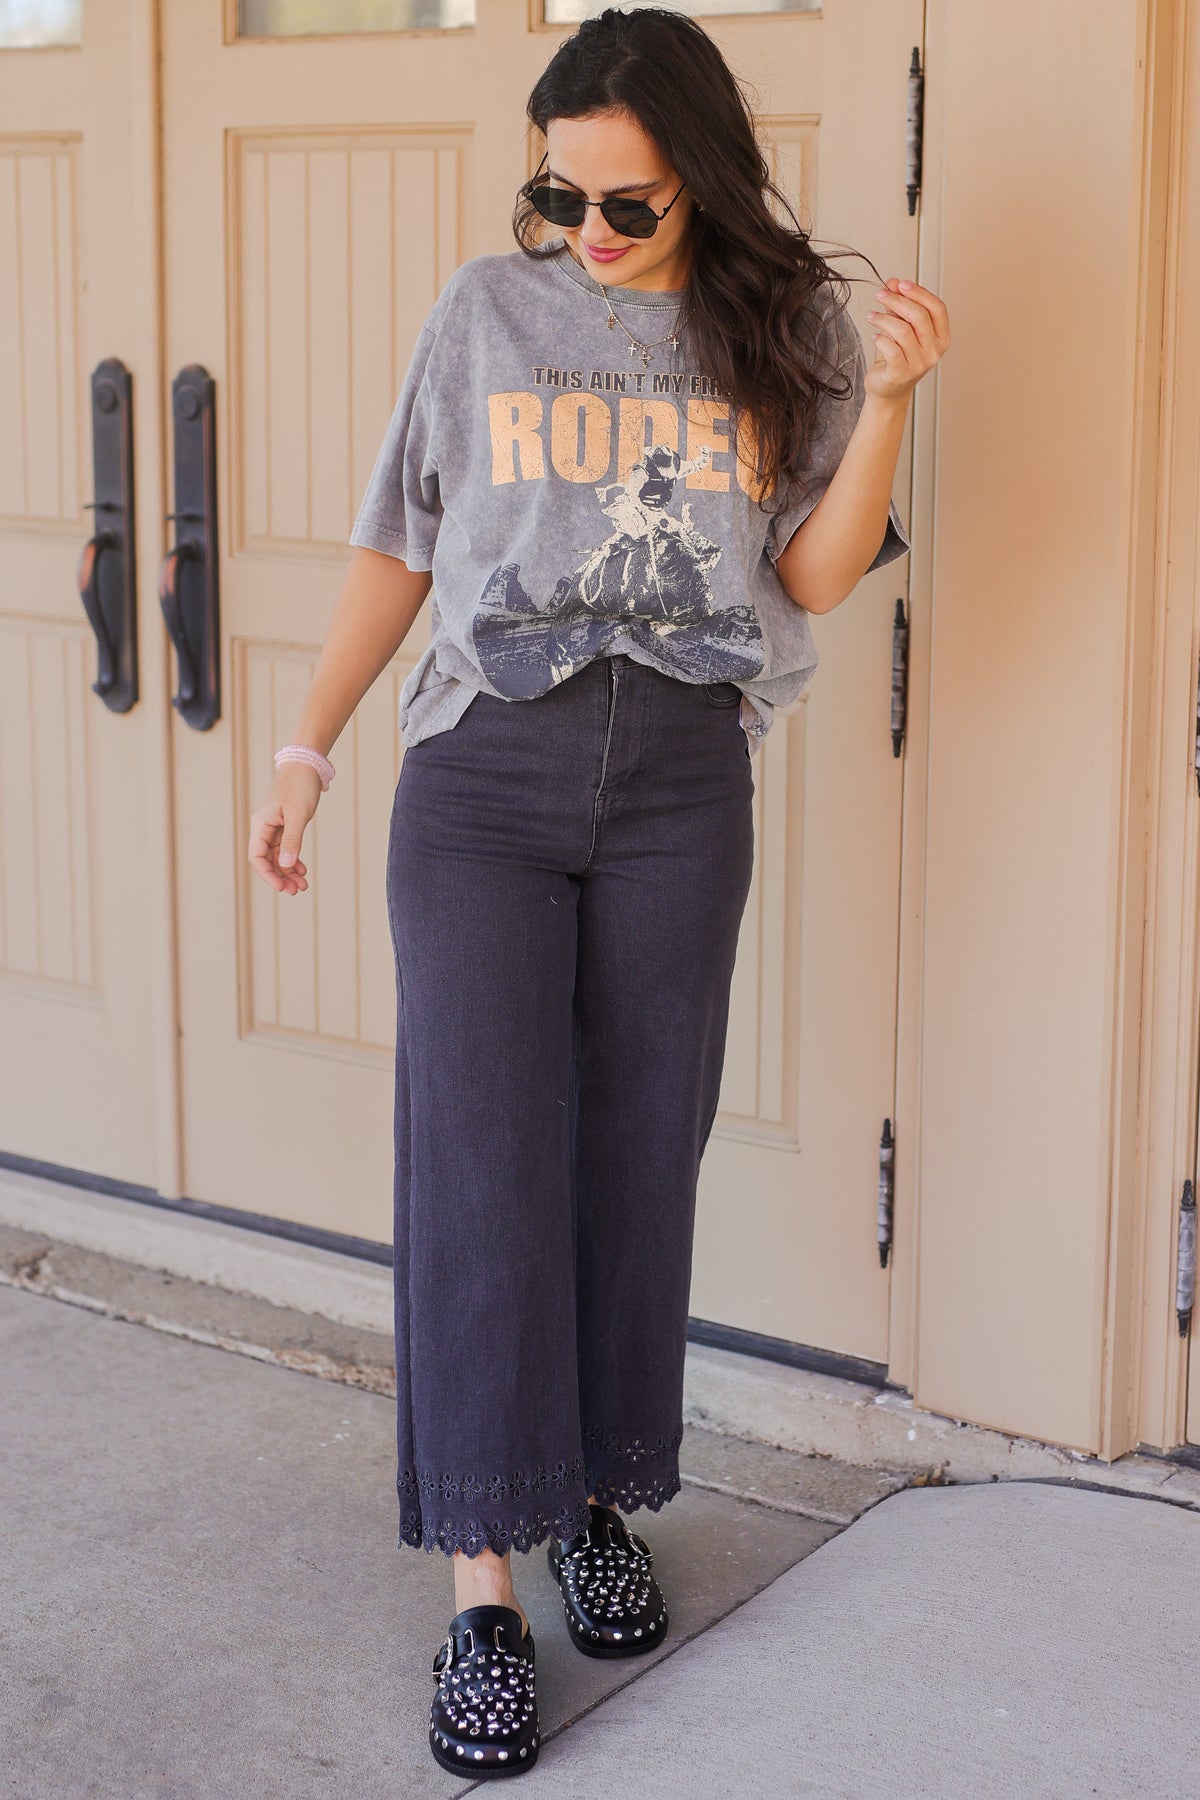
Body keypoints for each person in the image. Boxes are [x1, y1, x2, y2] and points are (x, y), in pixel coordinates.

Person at [248, 4, 949, 1779]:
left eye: (623, 205)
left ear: (701, 178)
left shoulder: (781, 329)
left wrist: (894, 404)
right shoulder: (485, 314)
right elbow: (400, 542)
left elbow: (807, 563)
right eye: (558, 199)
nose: (585, 236)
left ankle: (597, 1504)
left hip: (682, 779)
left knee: (637, 1150)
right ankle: (485, 1577)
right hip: (484, 771)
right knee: (483, 1157)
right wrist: (308, 746)